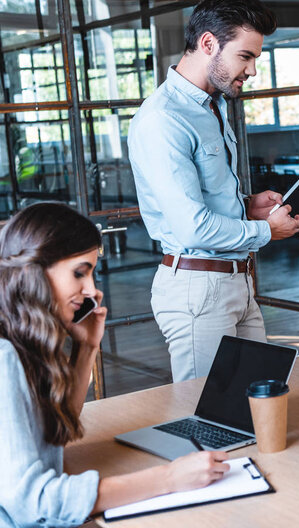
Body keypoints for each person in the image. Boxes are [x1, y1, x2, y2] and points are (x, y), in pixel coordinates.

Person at [0, 203, 229, 526]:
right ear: (33, 270)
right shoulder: (4, 358)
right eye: (79, 272)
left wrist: (87, 345)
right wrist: (169, 478)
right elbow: (35, 503)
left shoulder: (20, 342)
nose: (92, 291)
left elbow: (55, 431)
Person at [128, 0, 299, 382]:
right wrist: (266, 230)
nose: (253, 70)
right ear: (208, 44)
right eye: (246, 56)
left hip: (235, 281)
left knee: (257, 404)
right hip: (197, 287)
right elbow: (192, 226)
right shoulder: (163, 119)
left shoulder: (210, 106)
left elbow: (201, 198)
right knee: (206, 416)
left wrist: (247, 205)